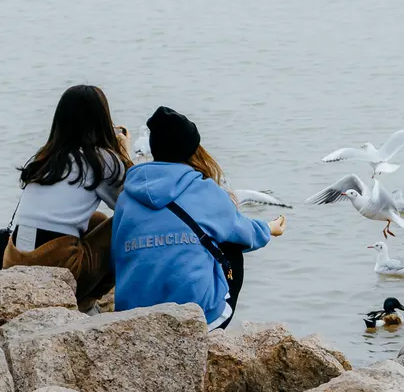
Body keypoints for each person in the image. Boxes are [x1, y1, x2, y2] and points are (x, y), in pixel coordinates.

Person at [111, 106, 286, 329]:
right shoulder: (204, 190)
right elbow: (244, 233)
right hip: (192, 318)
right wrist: (269, 228)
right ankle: (212, 330)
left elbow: (116, 257)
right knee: (231, 248)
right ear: (191, 150)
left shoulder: (127, 197)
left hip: (132, 316)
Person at [3, 84, 132, 307]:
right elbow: (131, 202)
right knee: (125, 223)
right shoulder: (101, 159)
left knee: (97, 221)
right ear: (102, 121)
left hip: (13, 260)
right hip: (58, 266)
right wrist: (123, 154)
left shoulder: (44, 159)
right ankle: (85, 304)